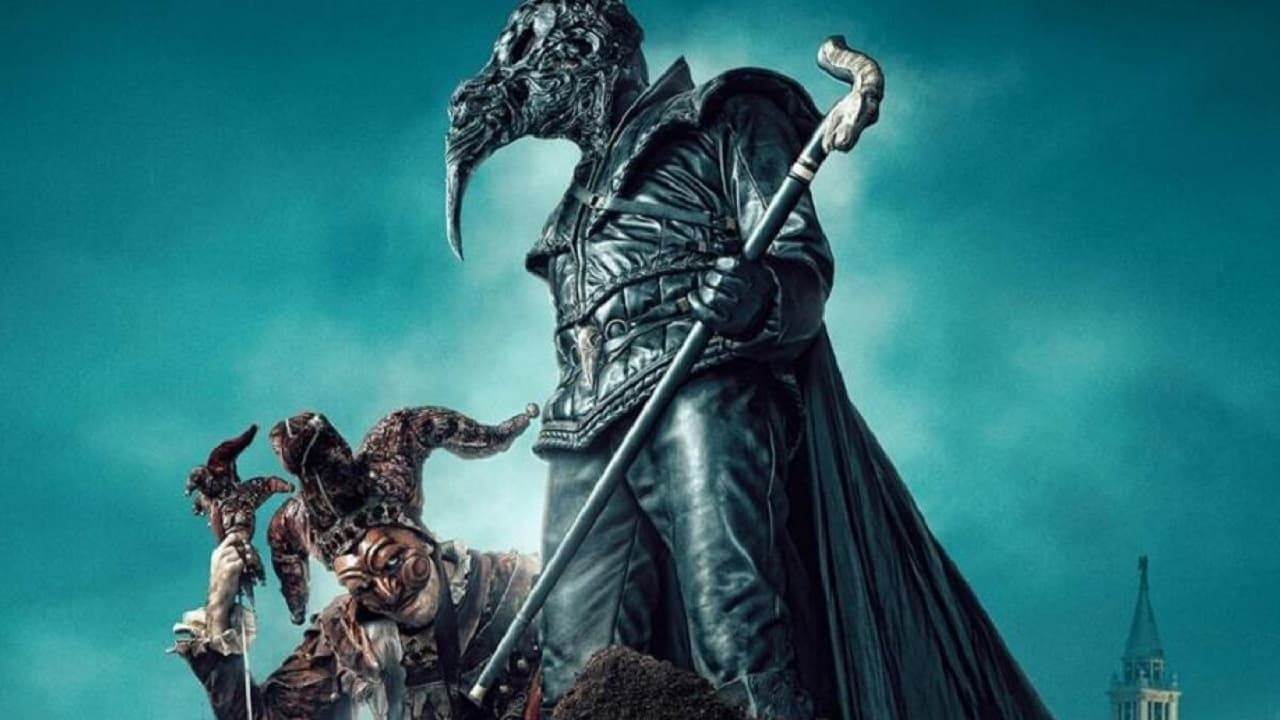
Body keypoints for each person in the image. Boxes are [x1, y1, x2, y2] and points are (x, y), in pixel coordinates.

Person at [443, 2, 1055, 719]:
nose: (519, 83)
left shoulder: (723, 117)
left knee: (733, 626)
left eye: (532, 58)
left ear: (585, 52)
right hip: (583, 422)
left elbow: (800, 267)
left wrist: (758, 294)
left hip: (697, 385)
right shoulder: (572, 208)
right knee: (577, 663)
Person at [172, 405, 543, 720]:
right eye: (361, 586)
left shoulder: (522, 581)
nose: (387, 592)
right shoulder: (347, 637)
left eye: (393, 561)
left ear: (421, 537)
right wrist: (219, 608)